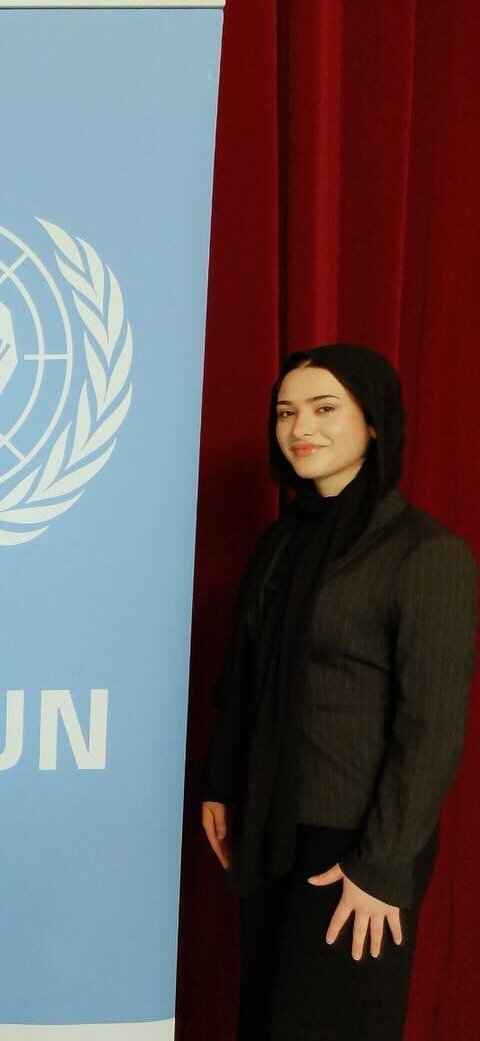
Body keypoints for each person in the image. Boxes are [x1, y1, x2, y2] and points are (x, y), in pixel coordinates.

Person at [201, 344, 476, 1040]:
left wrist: (381, 865)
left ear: (374, 423)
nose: (301, 429)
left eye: (325, 409)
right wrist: (222, 782)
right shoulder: (281, 543)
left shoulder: (425, 554)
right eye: (286, 412)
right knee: (267, 1018)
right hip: (271, 822)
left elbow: (432, 727)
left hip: (356, 837)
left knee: (330, 1025)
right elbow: (246, 672)